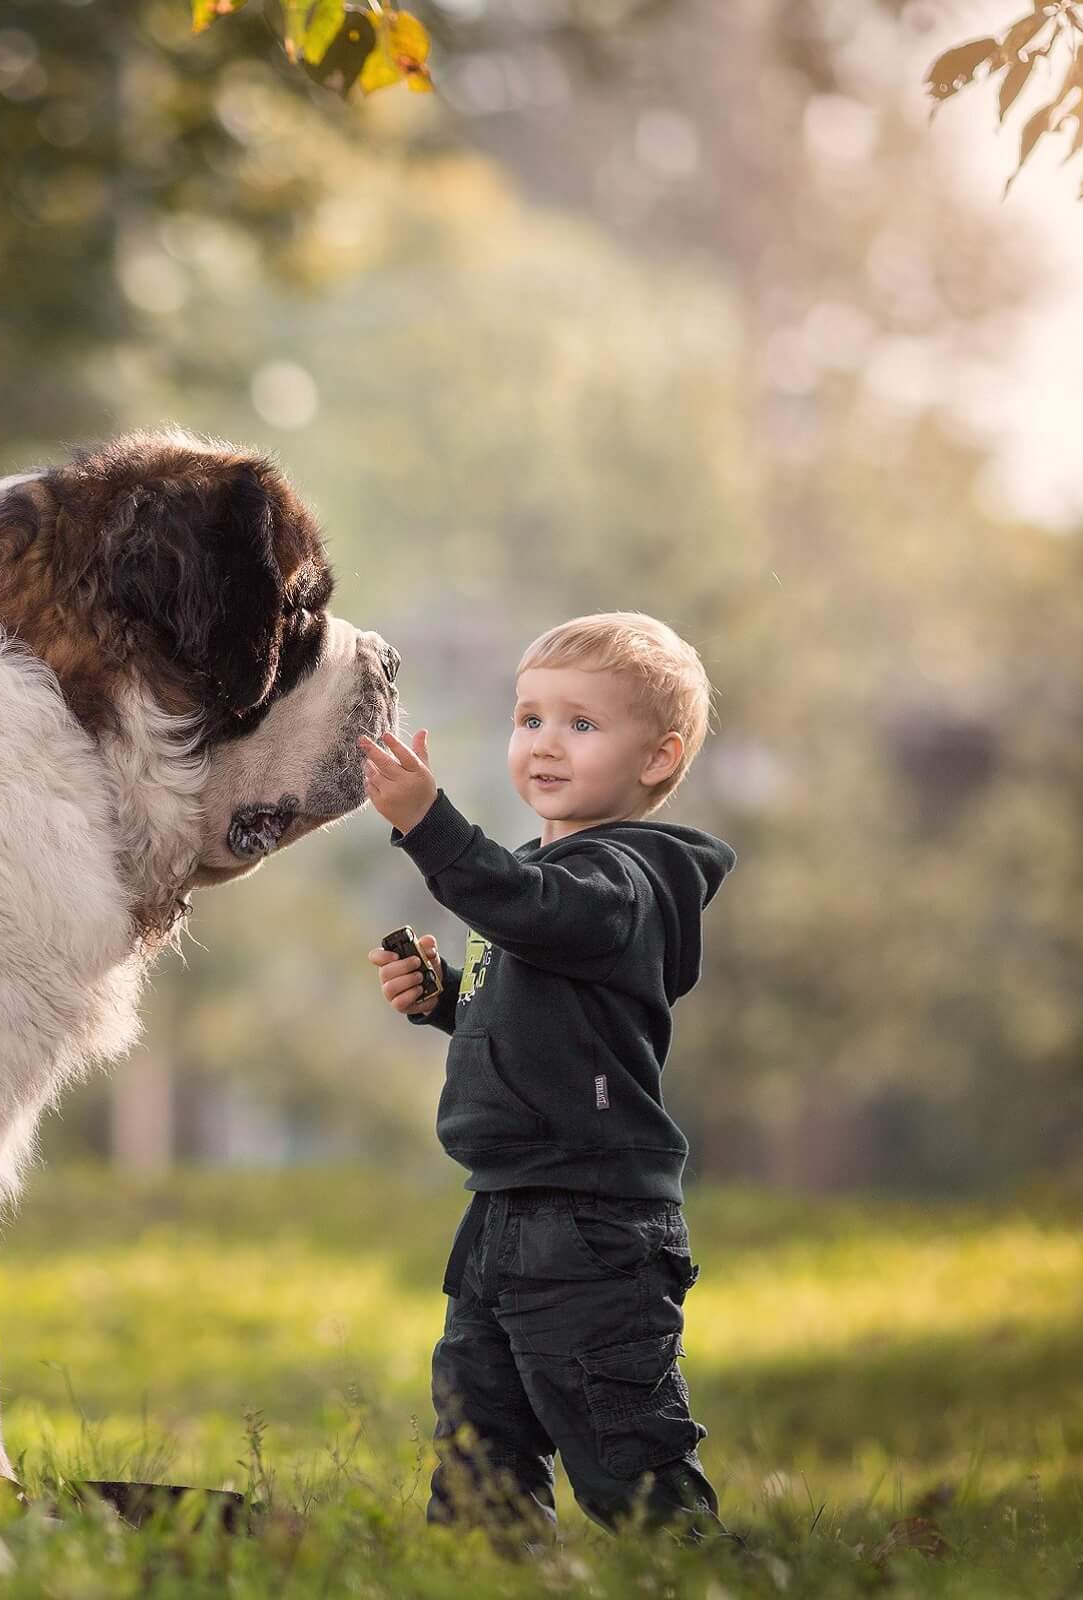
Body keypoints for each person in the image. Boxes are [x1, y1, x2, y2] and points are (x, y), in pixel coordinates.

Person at [359, 611, 735, 1536]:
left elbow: (533, 910)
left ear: (658, 758)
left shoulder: (630, 878)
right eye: (529, 719)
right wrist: (444, 997)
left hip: (591, 1224)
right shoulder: (552, 879)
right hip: (504, 1210)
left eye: (582, 724)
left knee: (627, 1461)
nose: (545, 744)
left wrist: (428, 826)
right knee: (480, 1455)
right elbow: (546, 1009)